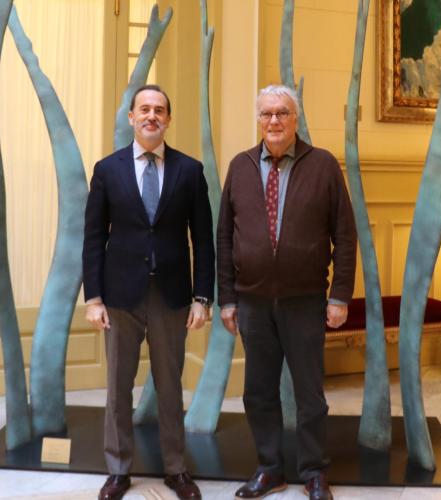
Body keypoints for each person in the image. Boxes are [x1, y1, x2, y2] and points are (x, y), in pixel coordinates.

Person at [217, 84, 356, 500]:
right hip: (253, 302)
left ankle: (314, 472)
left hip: (305, 301)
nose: (274, 121)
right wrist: (228, 298)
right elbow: (224, 237)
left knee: (309, 393)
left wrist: (340, 296)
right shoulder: (240, 166)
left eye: (282, 113)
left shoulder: (323, 165)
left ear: (296, 119)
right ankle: (269, 469)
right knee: (258, 392)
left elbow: (344, 235)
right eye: (266, 114)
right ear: (258, 120)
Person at [83, 84, 214, 500]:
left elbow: (204, 240)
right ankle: (118, 470)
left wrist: (202, 298)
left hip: (171, 296)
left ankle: (176, 469)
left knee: (170, 386)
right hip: (120, 296)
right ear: (132, 117)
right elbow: (93, 238)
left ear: (168, 119)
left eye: (159, 110)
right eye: (144, 109)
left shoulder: (190, 171)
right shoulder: (108, 170)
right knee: (118, 386)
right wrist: (93, 298)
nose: (151, 116)